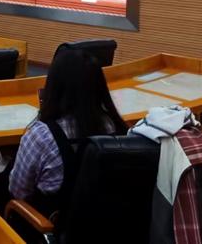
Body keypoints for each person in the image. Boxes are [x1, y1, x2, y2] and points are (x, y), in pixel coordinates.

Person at [8, 49, 125, 215]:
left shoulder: (41, 136)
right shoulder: (115, 128)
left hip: (50, 225)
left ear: (54, 87)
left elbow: (18, 192)